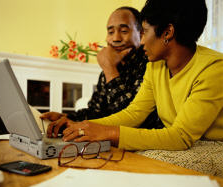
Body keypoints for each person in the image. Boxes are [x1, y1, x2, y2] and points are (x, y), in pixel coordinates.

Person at [43, 0, 223, 152]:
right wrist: (82, 125)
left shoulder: (214, 68)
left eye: (144, 31)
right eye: (110, 31)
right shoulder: (156, 64)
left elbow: (181, 136)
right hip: (178, 141)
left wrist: (108, 132)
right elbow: (134, 113)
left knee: (136, 159)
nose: (142, 40)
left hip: (211, 146)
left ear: (167, 32)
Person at [40, 6, 162, 136]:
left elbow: (132, 118)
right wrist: (67, 117)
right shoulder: (111, 65)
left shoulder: (150, 63)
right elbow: (96, 111)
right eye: (110, 32)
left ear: (141, 33)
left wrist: (110, 69)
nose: (115, 38)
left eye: (124, 31)